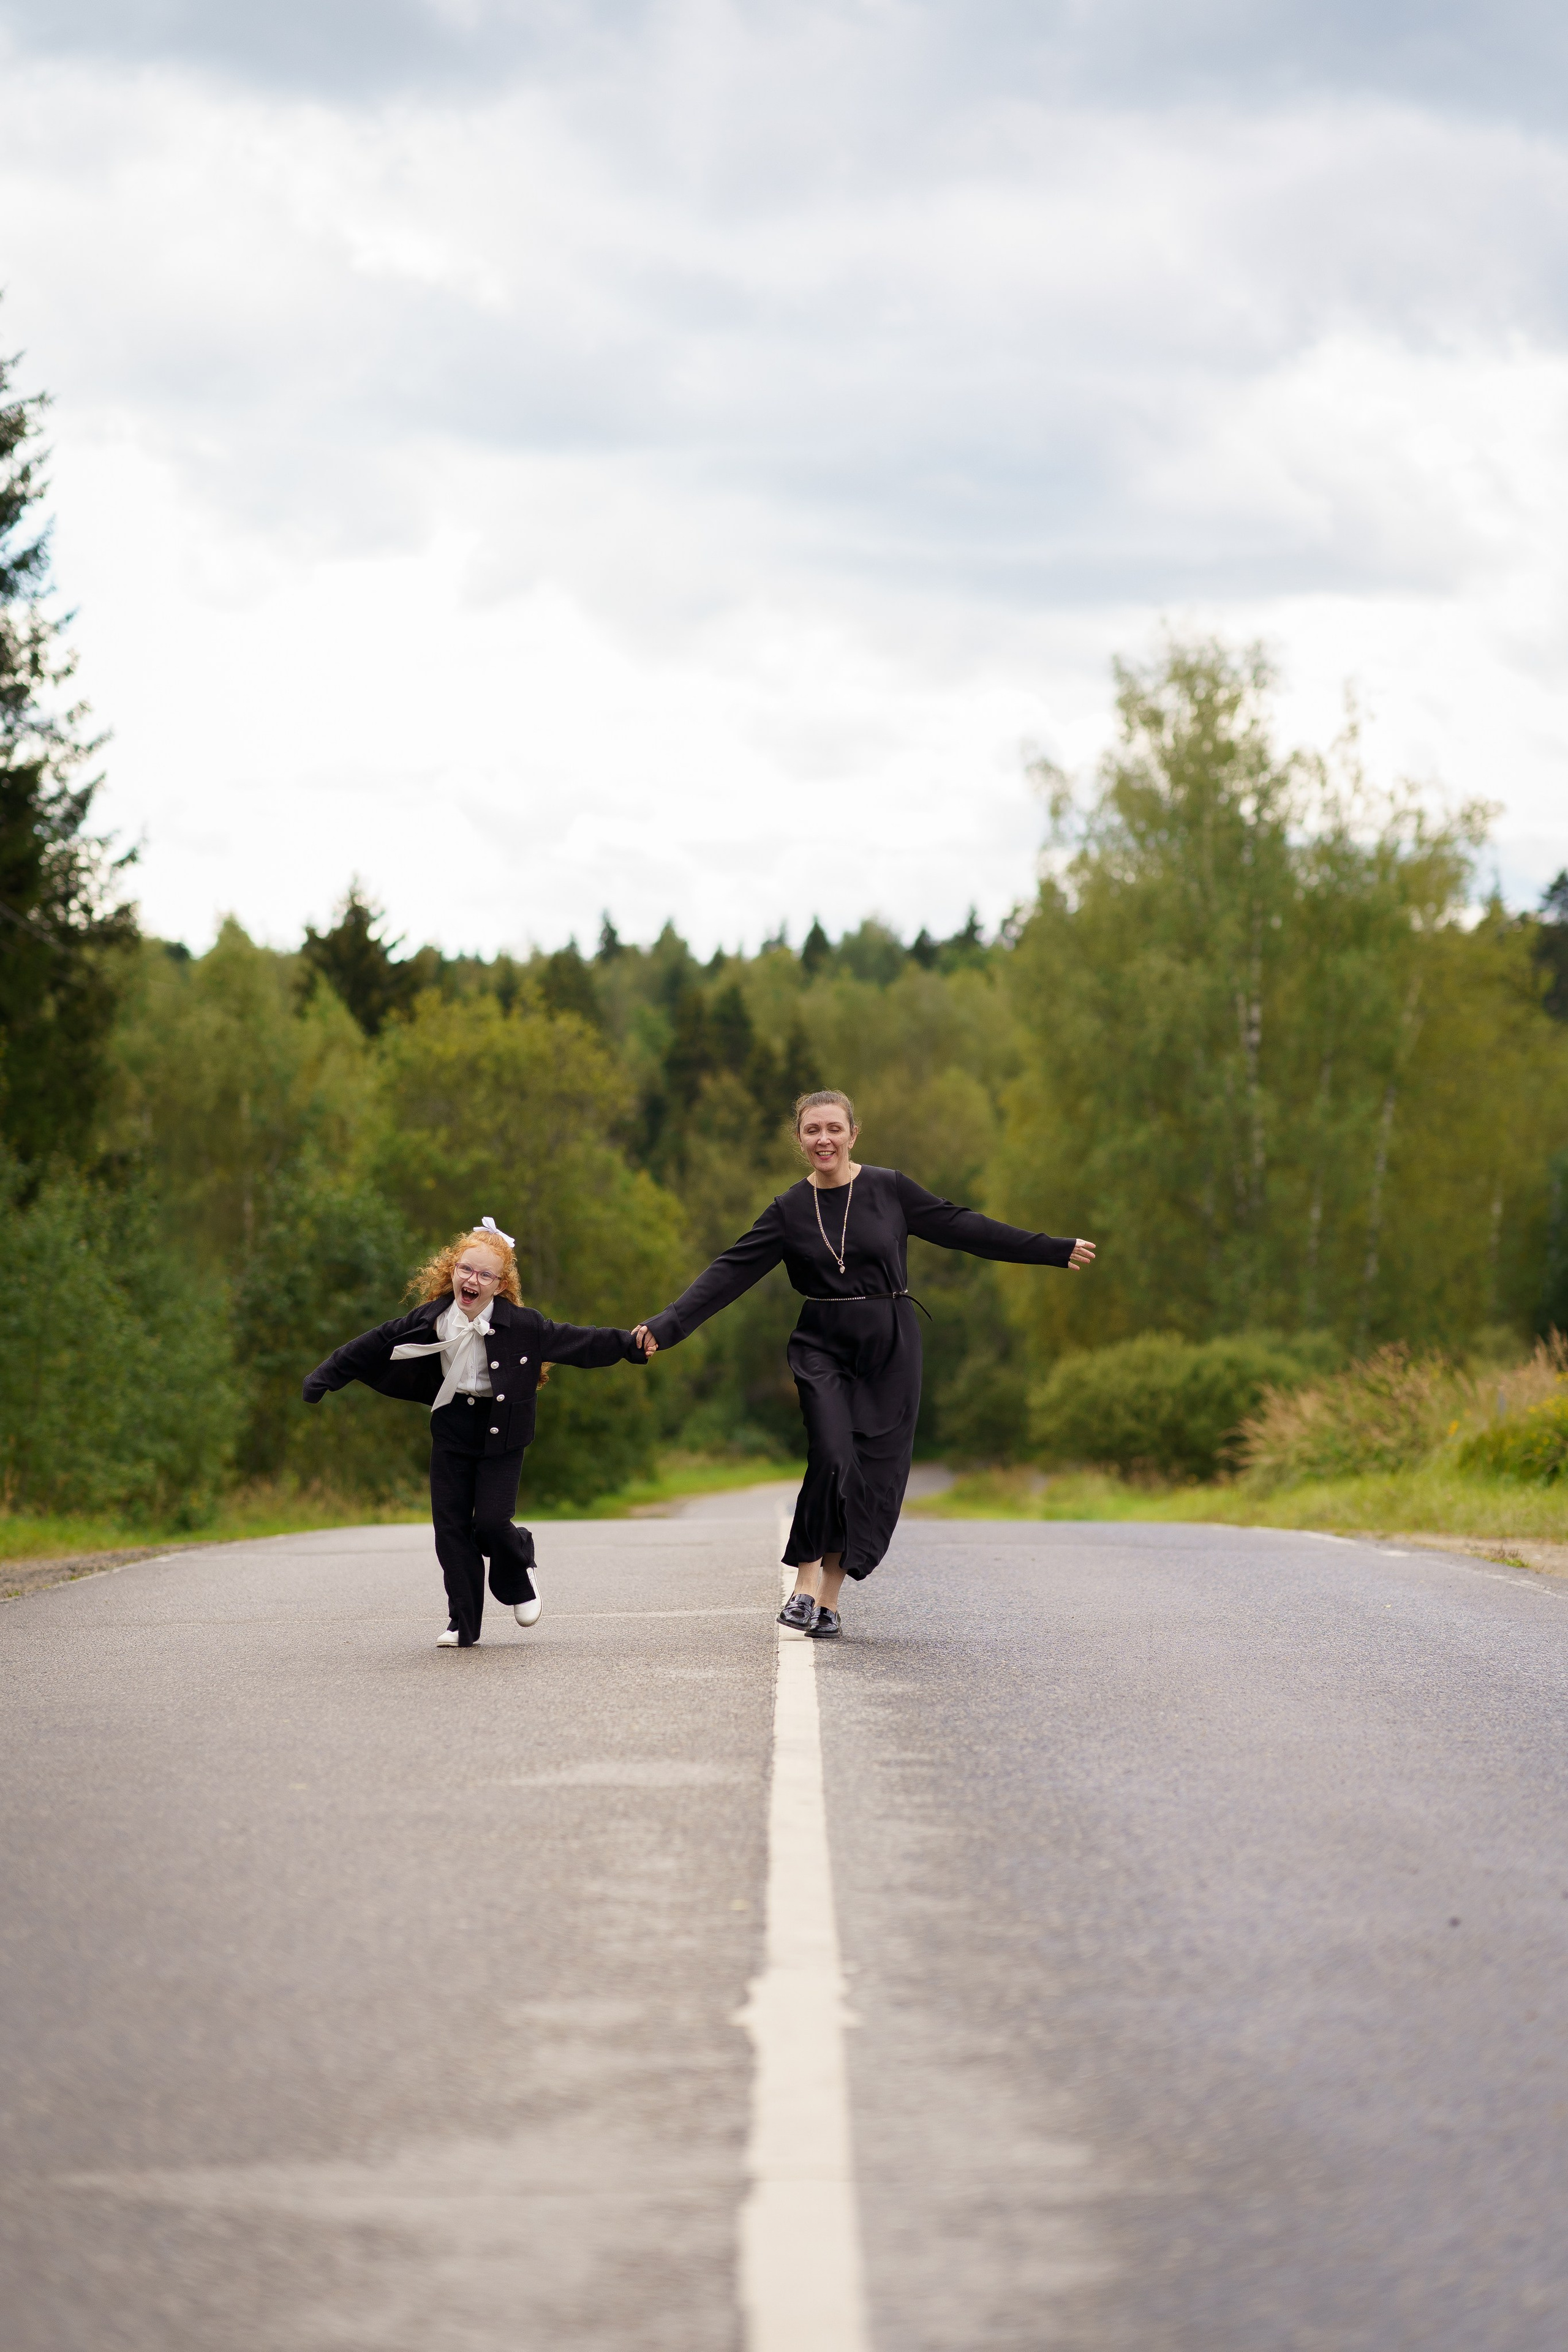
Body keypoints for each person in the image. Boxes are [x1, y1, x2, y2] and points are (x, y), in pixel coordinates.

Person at [633, 1092, 1095, 1638]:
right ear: (799, 1139)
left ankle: (828, 1601)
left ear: (854, 1133)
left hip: (891, 1347)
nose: (823, 1139)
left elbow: (964, 1227)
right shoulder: (787, 1211)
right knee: (831, 1452)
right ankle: (803, 1588)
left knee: (872, 1474)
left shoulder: (890, 1189)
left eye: (833, 1128)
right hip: (821, 1343)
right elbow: (728, 1273)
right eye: (812, 1130)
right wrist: (666, 1326)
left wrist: (1049, 1249)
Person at [303, 1216, 648, 1648]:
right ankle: (463, 1624)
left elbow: (581, 1342)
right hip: (452, 1426)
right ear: (451, 1270)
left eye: (486, 1274)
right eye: (466, 1269)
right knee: (450, 1528)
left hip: (503, 1433)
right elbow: (371, 1344)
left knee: (489, 1523)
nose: (473, 1279)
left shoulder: (525, 1326)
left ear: (501, 1285)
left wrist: (631, 1346)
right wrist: (324, 1378)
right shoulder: (431, 1318)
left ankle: (519, 1560)